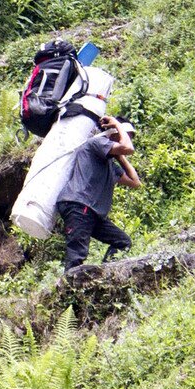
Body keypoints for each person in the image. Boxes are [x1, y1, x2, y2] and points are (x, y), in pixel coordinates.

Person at [56, 115, 140, 272]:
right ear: (112, 132)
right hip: (79, 205)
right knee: (76, 257)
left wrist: (120, 157)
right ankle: (67, 292)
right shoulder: (97, 143)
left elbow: (136, 182)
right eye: (125, 135)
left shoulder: (110, 164)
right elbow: (129, 148)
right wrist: (116, 124)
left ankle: (104, 276)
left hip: (93, 213)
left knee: (122, 242)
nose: (126, 139)